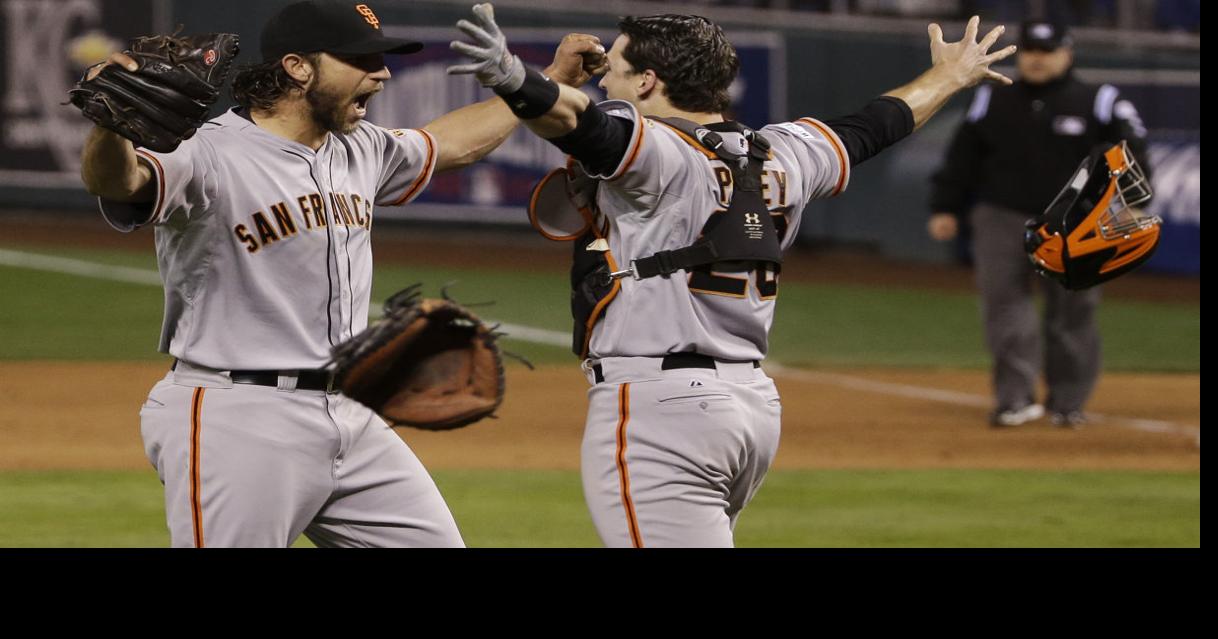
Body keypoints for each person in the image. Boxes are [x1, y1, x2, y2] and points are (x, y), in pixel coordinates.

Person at [450, 4, 1015, 547]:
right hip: (749, 410)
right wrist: (949, 76)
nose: (604, 83)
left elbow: (580, 124)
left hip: (660, 411)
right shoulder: (786, 153)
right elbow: (880, 123)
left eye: (615, 72)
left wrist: (513, 76)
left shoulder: (659, 154)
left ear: (648, 82)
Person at [77, 0, 596, 547]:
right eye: (362, 59)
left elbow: (453, 144)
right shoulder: (207, 153)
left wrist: (548, 82)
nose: (382, 72)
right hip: (239, 415)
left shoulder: (361, 149)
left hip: (352, 412)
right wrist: (110, 127)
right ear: (298, 67)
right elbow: (119, 182)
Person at [927, 20, 1151, 428]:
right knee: (1005, 306)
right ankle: (1015, 399)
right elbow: (963, 157)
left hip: (1076, 222)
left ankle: (1068, 403)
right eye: (1030, 50)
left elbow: (1131, 151)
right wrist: (946, 206)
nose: (1036, 59)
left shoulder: (1099, 100)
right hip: (1001, 214)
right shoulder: (992, 99)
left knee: (1072, 312)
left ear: (1067, 54)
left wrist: (1133, 202)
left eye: (1046, 51)